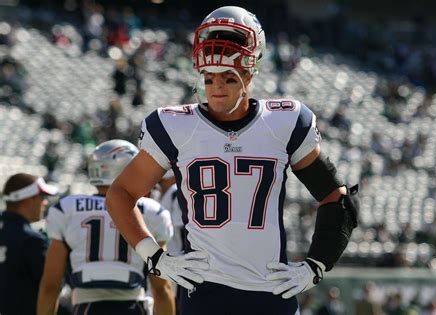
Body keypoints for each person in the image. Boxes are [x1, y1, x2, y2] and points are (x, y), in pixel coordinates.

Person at [106, 6, 359, 315]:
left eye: (227, 77)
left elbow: (338, 199)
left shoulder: (283, 121)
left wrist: (315, 265)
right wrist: (154, 257)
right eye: (209, 78)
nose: (217, 89)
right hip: (205, 291)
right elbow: (120, 194)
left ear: (250, 72)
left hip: (270, 290)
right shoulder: (174, 125)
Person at [37, 139, 175, 315]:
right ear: (126, 169)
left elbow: (51, 285)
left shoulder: (66, 209)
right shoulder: (152, 211)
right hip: (133, 307)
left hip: (86, 307)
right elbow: (162, 288)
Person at [0, 173, 58, 315]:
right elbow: (50, 288)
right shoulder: (32, 241)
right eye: (42, 197)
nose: (44, 203)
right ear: (28, 200)